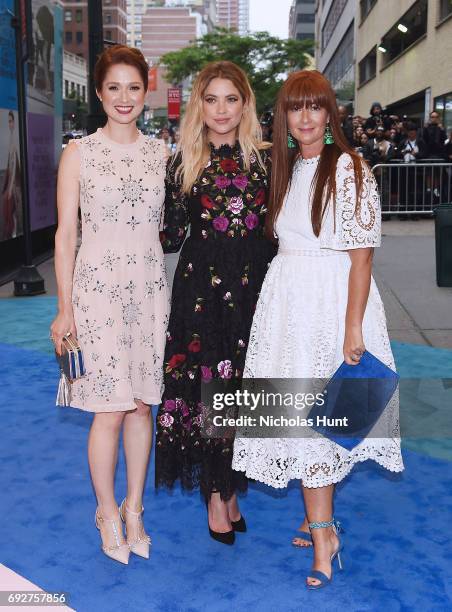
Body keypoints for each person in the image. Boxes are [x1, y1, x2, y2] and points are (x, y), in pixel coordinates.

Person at [232, 70, 403, 588]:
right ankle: (314, 513)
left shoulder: (350, 168)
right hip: (286, 303)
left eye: (315, 107)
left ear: (331, 114)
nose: (305, 118)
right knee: (294, 413)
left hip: (330, 306)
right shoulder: (285, 169)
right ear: (283, 116)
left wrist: (353, 328)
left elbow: (361, 259)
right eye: (295, 108)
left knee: (320, 422)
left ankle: (326, 532)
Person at [50, 45, 169, 565]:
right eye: (114, 87)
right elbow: (64, 235)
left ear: (148, 91)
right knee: (109, 411)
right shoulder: (79, 153)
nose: (124, 98)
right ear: (98, 93)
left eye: (134, 87)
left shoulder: (162, 153)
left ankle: (135, 507)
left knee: (142, 404)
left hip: (148, 292)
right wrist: (64, 309)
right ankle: (105, 511)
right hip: (95, 294)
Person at [155, 61, 276, 545]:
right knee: (210, 385)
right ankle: (214, 493)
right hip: (201, 291)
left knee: (243, 389)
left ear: (245, 103)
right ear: (198, 106)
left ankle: (230, 484)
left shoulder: (268, 160)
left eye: (231, 99)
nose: (221, 109)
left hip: (254, 288)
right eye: (211, 99)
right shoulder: (182, 160)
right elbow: (171, 234)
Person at [2, 111, 21, 240]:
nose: (10, 123)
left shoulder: (14, 140)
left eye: (11, 121)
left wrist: (9, 187)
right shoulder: (10, 138)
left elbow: (14, 166)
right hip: (11, 182)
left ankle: (14, 236)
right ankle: (14, 235)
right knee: (12, 212)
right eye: (8, 121)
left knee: (12, 211)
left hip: (14, 183)